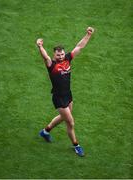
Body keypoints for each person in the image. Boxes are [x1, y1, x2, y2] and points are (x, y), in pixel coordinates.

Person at [36, 27, 94, 157]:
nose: (61, 56)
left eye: (62, 54)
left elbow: (79, 47)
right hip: (58, 98)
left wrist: (88, 35)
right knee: (70, 122)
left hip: (68, 94)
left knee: (64, 117)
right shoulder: (51, 65)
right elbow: (45, 57)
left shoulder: (68, 58)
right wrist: (40, 46)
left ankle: (45, 131)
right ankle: (76, 145)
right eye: (58, 55)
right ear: (54, 55)